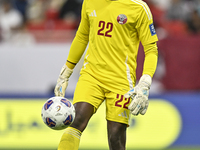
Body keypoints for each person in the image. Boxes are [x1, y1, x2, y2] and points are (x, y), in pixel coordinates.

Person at [54, 0, 158, 149]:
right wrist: (66, 72)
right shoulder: (90, 2)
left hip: (121, 81)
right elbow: (82, 36)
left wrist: (145, 83)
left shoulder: (139, 8)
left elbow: (151, 50)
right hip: (91, 76)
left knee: (115, 137)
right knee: (77, 120)